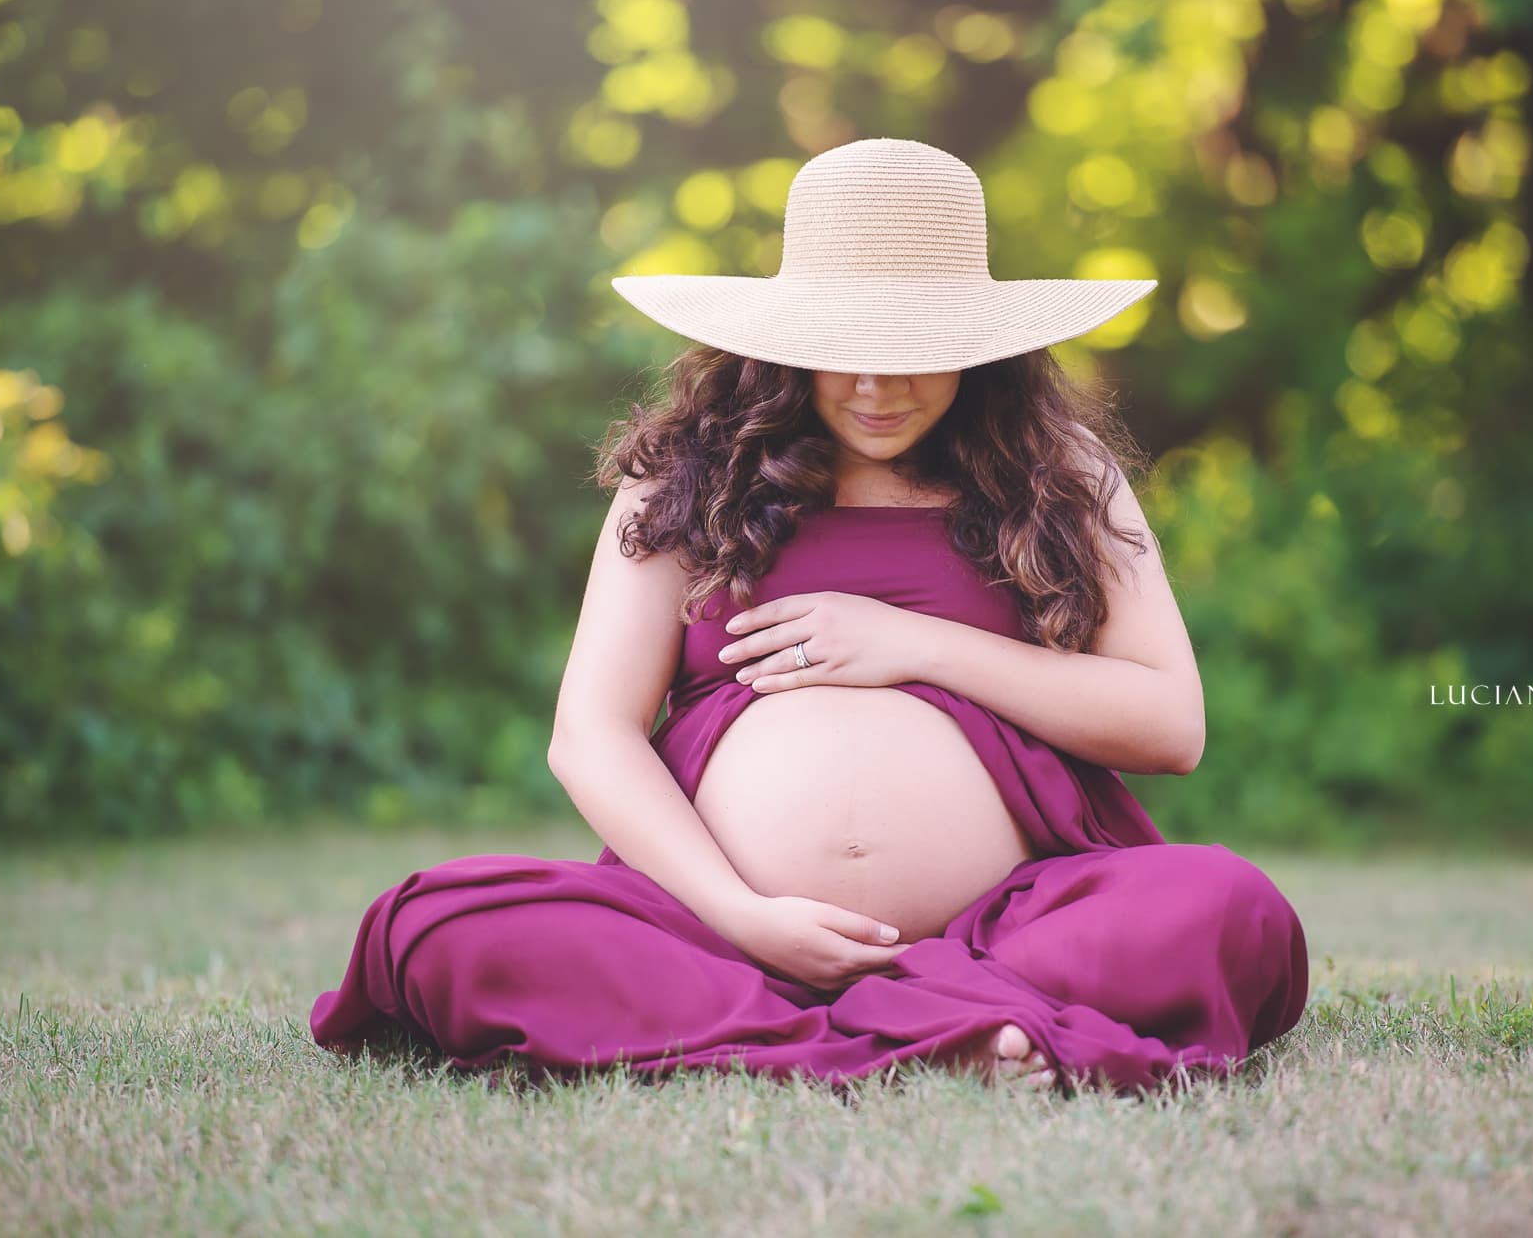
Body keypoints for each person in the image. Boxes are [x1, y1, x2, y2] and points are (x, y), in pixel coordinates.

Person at [309, 137, 1309, 1098]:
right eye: (844, 351)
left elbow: (1167, 725)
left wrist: (912, 643)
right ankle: (945, 1032)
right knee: (432, 926)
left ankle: (812, 1029)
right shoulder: (683, 477)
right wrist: (741, 915)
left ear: (976, 343)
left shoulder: (1058, 474)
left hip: (1004, 927)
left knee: (1229, 911)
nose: (875, 387)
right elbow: (590, 736)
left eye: (911, 350)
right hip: (709, 928)